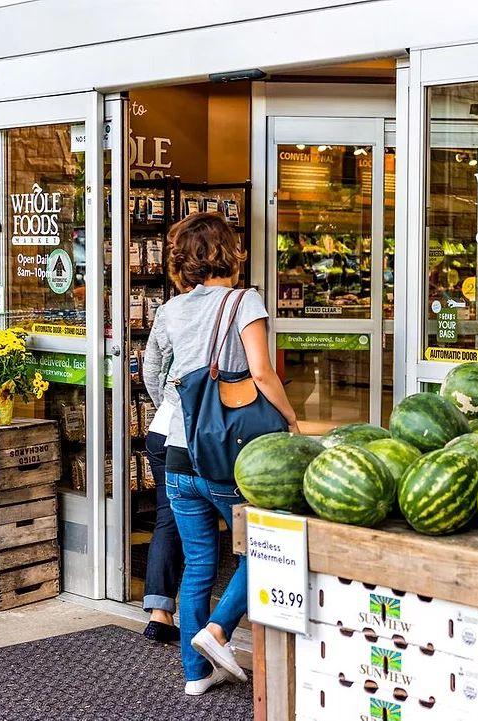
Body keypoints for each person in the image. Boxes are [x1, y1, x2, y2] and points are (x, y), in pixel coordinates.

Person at [143, 212, 300, 696]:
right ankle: (218, 631)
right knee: (267, 549)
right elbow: (263, 372)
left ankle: (195, 674)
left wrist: (179, 410)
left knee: (197, 565)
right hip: (229, 458)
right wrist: (292, 420)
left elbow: (151, 374)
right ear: (227, 252)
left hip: (178, 453)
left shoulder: (169, 310)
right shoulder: (244, 300)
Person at [140, 385, 182, 643]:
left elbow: (153, 369)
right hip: (191, 435)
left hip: (161, 427)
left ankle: (159, 614)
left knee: (167, 520)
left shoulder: (173, 340)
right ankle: (214, 627)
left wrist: (167, 403)